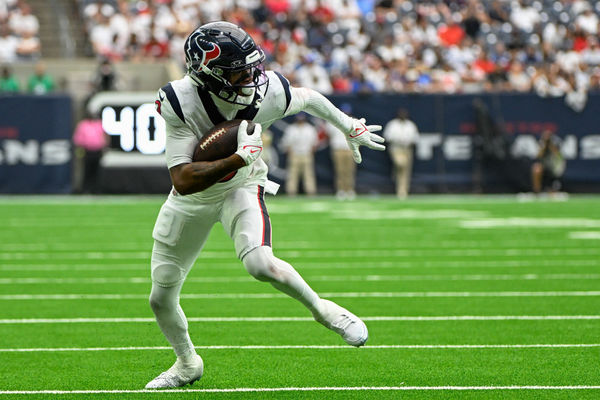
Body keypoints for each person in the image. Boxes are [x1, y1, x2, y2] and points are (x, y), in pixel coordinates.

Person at [145, 21, 385, 389]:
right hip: (194, 196)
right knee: (160, 296)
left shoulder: (266, 90)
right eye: (238, 69)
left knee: (260, 263)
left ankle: (323, 309)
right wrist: (237, 158)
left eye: (251, 65)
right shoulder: (180, 100)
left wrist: (348, 125)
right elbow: (183, 178)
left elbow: (308, 98)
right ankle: (187, 363)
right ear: (207, 73)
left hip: (242, 186)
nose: (251, 75)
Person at [383, 108, 419, 198]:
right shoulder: (392, 124)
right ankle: (394, 173)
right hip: (396, 149)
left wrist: (408, 141)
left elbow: (415, 138)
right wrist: (398, 140)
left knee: (405, 172)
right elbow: (387, 137)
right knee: (401, 164)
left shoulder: (410, 125)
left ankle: (402, 191)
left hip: (407, 149)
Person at [280, 112, 318, 196]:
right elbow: (287, 143)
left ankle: (310, 191)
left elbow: (314, 143)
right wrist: (291, 153)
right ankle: (291, 192)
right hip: (295, 154)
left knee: (308, 174)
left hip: (306, 154)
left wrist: (310, 152)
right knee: (292, 174)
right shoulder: (291, 129)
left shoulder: (310, 129)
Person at [325, 103, 356, 200]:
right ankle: (341, 190)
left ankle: (350, 190)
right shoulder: (333, 121)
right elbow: (328, 134)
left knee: (350, 171)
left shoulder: (354, 122)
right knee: (340, 171)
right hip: (338, 149)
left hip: (349, 149)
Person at [72, 109, 107, 194]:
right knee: (87, 171)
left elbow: (104, 137)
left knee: (97, 172)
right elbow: (78, 139)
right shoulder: (83, 125)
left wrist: (104, 147)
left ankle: (96, 189)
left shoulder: (99, 124)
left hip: (97, 151)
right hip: (87, 151)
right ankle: (86, 189)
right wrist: (80, 149)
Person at [531, 129, 565, 193]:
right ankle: (536, 191)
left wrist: (550, 144)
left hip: (555, 167)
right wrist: (544, 144)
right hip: (545, 167)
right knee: (536, 168)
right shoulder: (542, 144)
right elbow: (538, 156)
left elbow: (558, 156)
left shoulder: (555, 143)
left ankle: (553, 189)